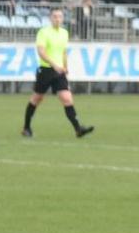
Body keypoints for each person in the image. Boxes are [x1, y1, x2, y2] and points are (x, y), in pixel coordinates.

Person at [22, 8, 93, 139]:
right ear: (50, 18)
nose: (57, 19)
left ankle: (78, 129)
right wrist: (54, 65)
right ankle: (26, 127)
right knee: (37, 98)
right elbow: (41, 52)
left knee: (67, 98)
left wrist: (65, 67)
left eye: (60, 17)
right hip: (46, 70)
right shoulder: (43, 32)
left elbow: (63, 52)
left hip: (59, 72)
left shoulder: (64, 33)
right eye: (55, 16)